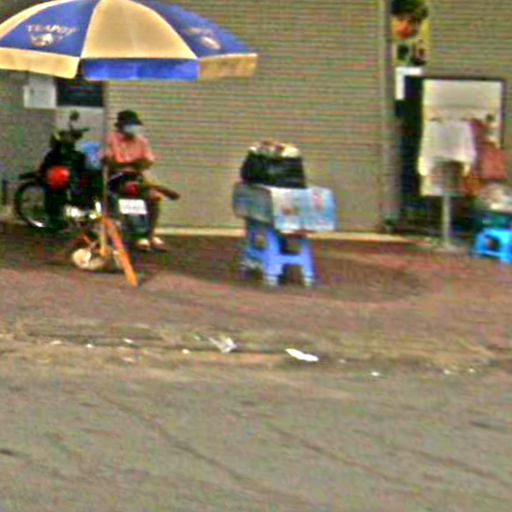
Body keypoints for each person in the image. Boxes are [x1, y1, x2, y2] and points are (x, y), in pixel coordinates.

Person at [103, 110, 165, 251]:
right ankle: (138, 234)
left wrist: (130, 164)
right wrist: (131, 163)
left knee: (153, 198)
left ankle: (149, 234)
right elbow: (110, 161)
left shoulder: (141, 141)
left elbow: (147, 162)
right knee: (129, 196)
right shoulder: (111, 140)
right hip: (116, 178)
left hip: (136, 176)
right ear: (121, 126)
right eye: (129, 125)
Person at [39, 129, 88, 230]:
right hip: (63, 183)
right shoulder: (75, 155)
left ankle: (56, 218)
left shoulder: (75, 155)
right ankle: (55, 218)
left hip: (67, 183)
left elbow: (44, 169)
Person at [391, 0, 429, 67]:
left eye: (419, 22)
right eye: (400, 20)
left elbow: (421, 60)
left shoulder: (417, 42)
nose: (416, 28)